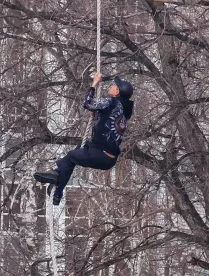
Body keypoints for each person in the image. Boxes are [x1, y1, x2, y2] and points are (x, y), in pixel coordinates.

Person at [34, 73, 134, 205]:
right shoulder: (124, 109)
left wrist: (94, 84)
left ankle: (57, 185)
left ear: (117, 92)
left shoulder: (112, 102)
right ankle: (56, 177)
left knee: (71, 156)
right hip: (108, 157)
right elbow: (105, 123)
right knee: (79, 148)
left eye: (114, 85)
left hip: (101, 154)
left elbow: (87, 102)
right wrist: (96, 114)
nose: (112, 85)